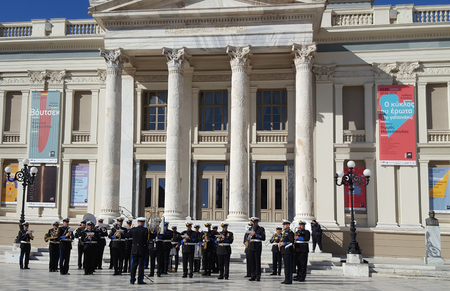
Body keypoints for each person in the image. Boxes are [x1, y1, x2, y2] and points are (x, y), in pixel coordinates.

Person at [129, 217, 149, 285]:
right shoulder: (145, 230)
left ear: (138, 222)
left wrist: (130, 229)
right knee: (141, 266)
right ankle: (140, 279)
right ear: (143, 223)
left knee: (134, 265)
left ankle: (132, 279)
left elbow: (128, 235)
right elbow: (148, 238)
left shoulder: (133, 230)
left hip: (134, 249)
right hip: (142, 250)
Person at [247, 217, 265, 281]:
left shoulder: (261, 229)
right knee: (252, 261)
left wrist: (256, 234)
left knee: (257, 261)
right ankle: (252, 275)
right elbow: (247, 238)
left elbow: (263, 238)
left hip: (257, 245)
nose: (254, 223)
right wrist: (249, 237)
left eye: (255, 222)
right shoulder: (250, 228)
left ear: (257, 222)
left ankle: (258, 276)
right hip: (251, 245)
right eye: (253, 222)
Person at [279, 220, 294, 285]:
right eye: (283, 225)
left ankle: (289, 279)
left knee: (288, 266)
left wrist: (283, 243)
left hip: (288, 251)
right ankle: (286, 278)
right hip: (284, 251)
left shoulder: (290, 233)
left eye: (284, 225)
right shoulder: (284, 233)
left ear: (288, 225)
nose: (283, 226)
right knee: (285, 266)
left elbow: (291, 242)